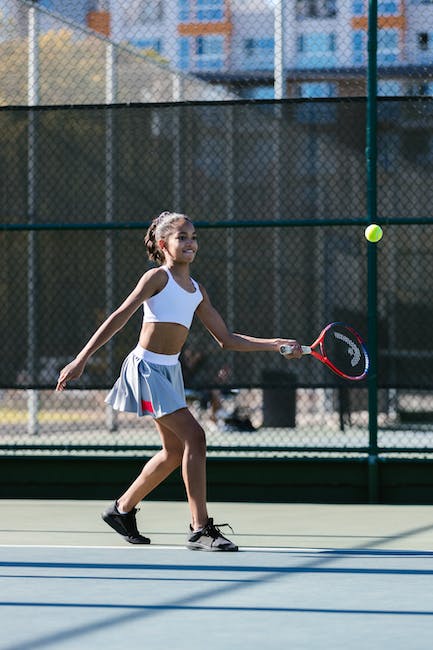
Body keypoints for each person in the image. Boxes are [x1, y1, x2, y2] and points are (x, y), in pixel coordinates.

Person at [56, 211, 302, 551]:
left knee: (174, 452)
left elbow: (226, 338)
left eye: (193, 237)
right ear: (163, 244)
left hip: (170, 372)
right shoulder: (156, 278)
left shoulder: (197, 291)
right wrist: (80, 359)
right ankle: (200, 528)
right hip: (145, 369)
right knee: (195, 438)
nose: (190, 243)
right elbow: (119, 317)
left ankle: (121, 509)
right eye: (182, 237)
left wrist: (274, 345)